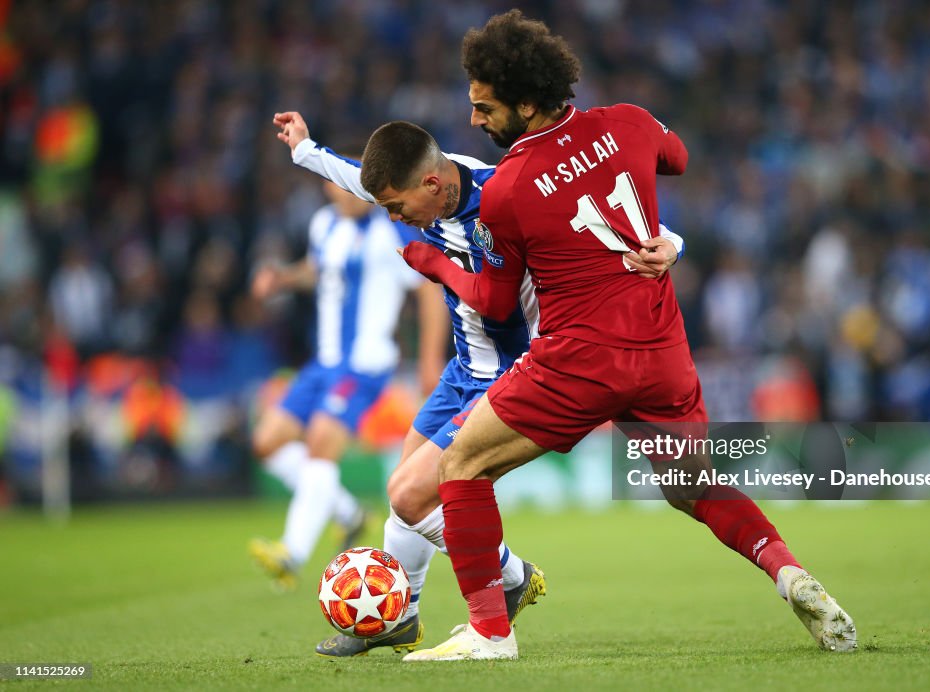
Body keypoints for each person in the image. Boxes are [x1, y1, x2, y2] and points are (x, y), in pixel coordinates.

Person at [397, 10, 857, 661]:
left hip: (576, 362)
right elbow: (678, 157)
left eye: (484, 107)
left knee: (461, 466)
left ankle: (490, 633)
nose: (474, 121)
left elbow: (499, 309)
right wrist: (667, 238)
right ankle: (788, 571)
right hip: (663, 351)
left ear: (526, 103)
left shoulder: (507, 192)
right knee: (690, 484)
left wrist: (438, 264)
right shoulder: (629, 122)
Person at [272, 110, 685, 656]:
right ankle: (406, 616)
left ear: (432, 185)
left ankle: (510, 579)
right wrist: (306, 149)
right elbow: (359, 179)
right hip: (464, 367)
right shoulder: (425, 190)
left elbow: (589, 222)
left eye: (396, 207)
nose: (393, 218)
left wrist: (670, 239)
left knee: (413, 493)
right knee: (406, 492)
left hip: (513, 369)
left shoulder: (500, 199)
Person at [248, 180, 446, 595]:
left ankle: (291, 553)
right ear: (327, 186)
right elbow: (318, 269)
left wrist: (430, 359)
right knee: (267, 442)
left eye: (358, 187)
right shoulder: (324, 224)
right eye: (339, 186)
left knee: (321, 443)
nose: (348, 195)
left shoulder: (391, 230)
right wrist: (283, 278)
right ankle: (349, 512)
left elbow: (429, 287)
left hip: (364, 364)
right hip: (324, 362)